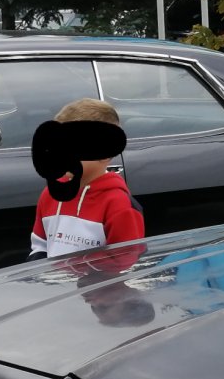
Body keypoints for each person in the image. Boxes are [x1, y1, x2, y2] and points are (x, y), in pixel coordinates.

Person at [29, 98, 144, 264]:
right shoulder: (50, 194)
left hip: (98, 289)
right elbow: (40, 245)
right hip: (58, 289)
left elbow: (125, 261)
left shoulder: (119, 205)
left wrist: (78, 277)